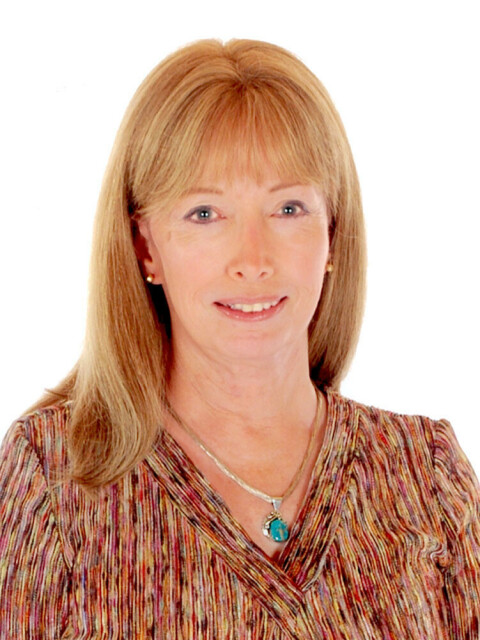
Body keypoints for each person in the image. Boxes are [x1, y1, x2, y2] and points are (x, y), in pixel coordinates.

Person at [0, 38, 479, 639]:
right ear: (146, 247)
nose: (253, 260)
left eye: (288, 209)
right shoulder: (54, 478)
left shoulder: (424, 476)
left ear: (333, 233)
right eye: (205, 213)